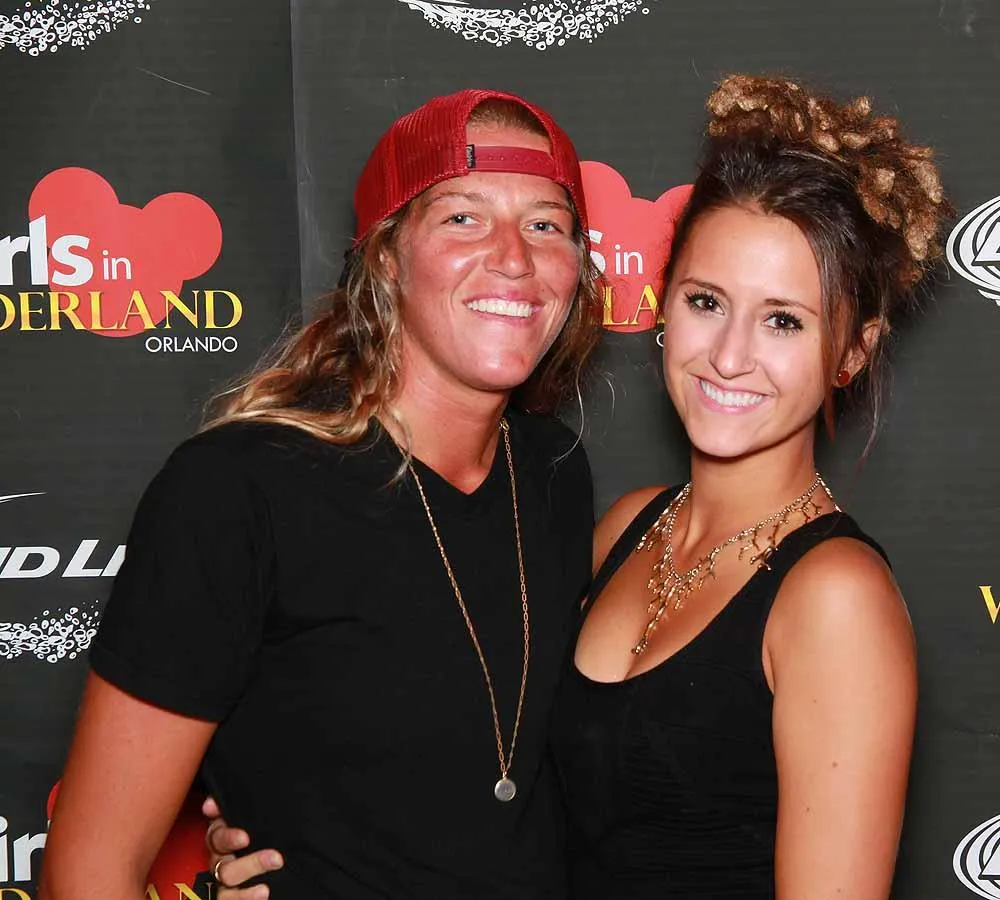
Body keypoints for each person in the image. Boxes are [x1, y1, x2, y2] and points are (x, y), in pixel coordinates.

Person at [204, 74, 952, 900]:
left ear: (853, 352)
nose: (730, 355)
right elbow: (451, 750)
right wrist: (282, 829)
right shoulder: (625, 528)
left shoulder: (836, 597)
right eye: (707, 301)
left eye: (784, 320)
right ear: (664, 304)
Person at [39, 88, 603, 900]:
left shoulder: (553, 471)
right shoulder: (237, 490)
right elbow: (88, 871)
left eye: (547, 224)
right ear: (385, 257)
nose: (514, 257)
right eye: (462, 217)